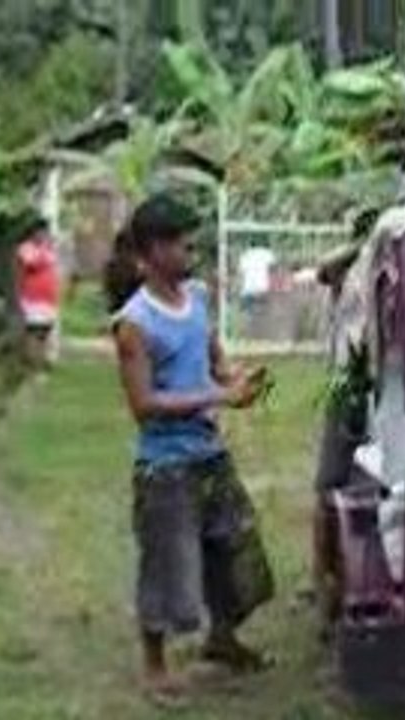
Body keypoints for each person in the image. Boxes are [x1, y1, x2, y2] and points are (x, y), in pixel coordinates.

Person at [108, 195, 274, 705]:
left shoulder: (198, 297)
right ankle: (154, 666)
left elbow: (214, 362)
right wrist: (219, 396)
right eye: (182, 243)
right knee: (168, 565)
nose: (191, 250)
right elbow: (144, 404)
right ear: (154, 250)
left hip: (209, 454)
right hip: (166, 467)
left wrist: (237, 379)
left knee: (235, 551)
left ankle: (222, 640)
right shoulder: (134, 322)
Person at [15, 218, 61, 368]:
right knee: (34, 329)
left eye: (45, 232)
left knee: (45, 331)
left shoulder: (48, 249)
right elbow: (32, 263)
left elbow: (53, 266)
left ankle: (41, 360)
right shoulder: (26, 248)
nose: (43, 235)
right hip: (32, 298)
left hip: (48, 298)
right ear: (33, 233)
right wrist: (44, 249)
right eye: (40, 232)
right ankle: (30, 361)